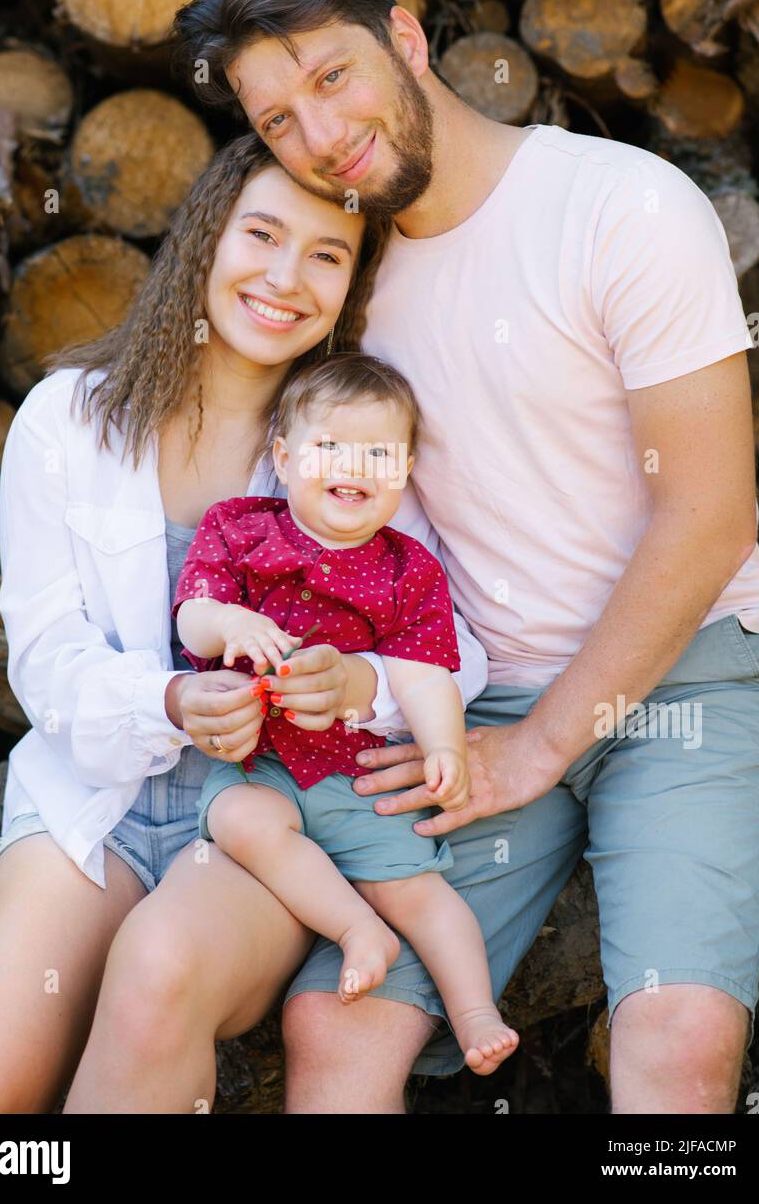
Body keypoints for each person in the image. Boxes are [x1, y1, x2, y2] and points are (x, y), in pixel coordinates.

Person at [170, 0, 759, 1114]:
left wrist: (543, 745)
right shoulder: (337, 287)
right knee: (333, 1031)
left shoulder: (622, 206)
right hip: (478, 694)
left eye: (332, 75)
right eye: (279, 118)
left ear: (405, 37)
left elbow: (709, 516)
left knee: (680, 1038)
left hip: (689, 669)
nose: (320, 132)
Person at [0, 129, 488, 1113]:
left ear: (352, 284)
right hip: (92, 798)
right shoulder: (68, 420)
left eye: (326, 254)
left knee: (157, 971)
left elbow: (453, 649)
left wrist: (363, 685)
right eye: (261, 234)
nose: (285, 277)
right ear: (206, 239)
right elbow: (49, 663)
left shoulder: (355, 441)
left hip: (273, 814)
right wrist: (174, 696)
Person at [175, 354, 519, 1074]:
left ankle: (472, 1010)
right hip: (260, 762)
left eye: (376, 453)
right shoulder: (240, 531)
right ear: (283, 456)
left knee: (421, 894)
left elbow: (426, 675)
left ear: (405, 469)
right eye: (328, 446)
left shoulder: (408, 569)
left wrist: (445, 750)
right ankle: (358, 929)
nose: (351, 466)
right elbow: (193, 616)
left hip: (353, 771)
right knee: (236, 822)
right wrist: (229, 625)